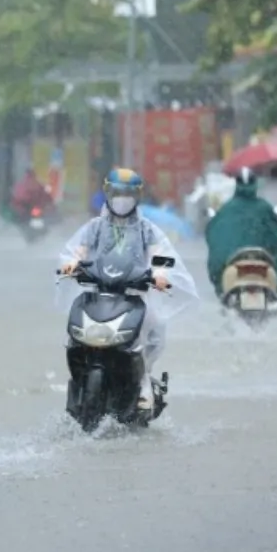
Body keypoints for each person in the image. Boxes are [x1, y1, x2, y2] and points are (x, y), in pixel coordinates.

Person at [58, 168, 199, 410]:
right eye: (117, 193)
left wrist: (160, 274)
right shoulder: (95, 227)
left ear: (137, 196)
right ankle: (79, 378)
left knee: (152, 328)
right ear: (107, 193)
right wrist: (71, 263)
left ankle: (143, 383)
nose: (122, 199)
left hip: (135, 294)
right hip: (98, 291)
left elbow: (160, 253)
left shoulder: (147, 229)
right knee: (75, 333)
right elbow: (78, 250)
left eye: (128, 194)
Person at [204, 167, 277, 300]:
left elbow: (214, 239)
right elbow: (276, 234)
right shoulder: (264, 208)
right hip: (263, 260)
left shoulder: (226, 210)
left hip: (232, 261)